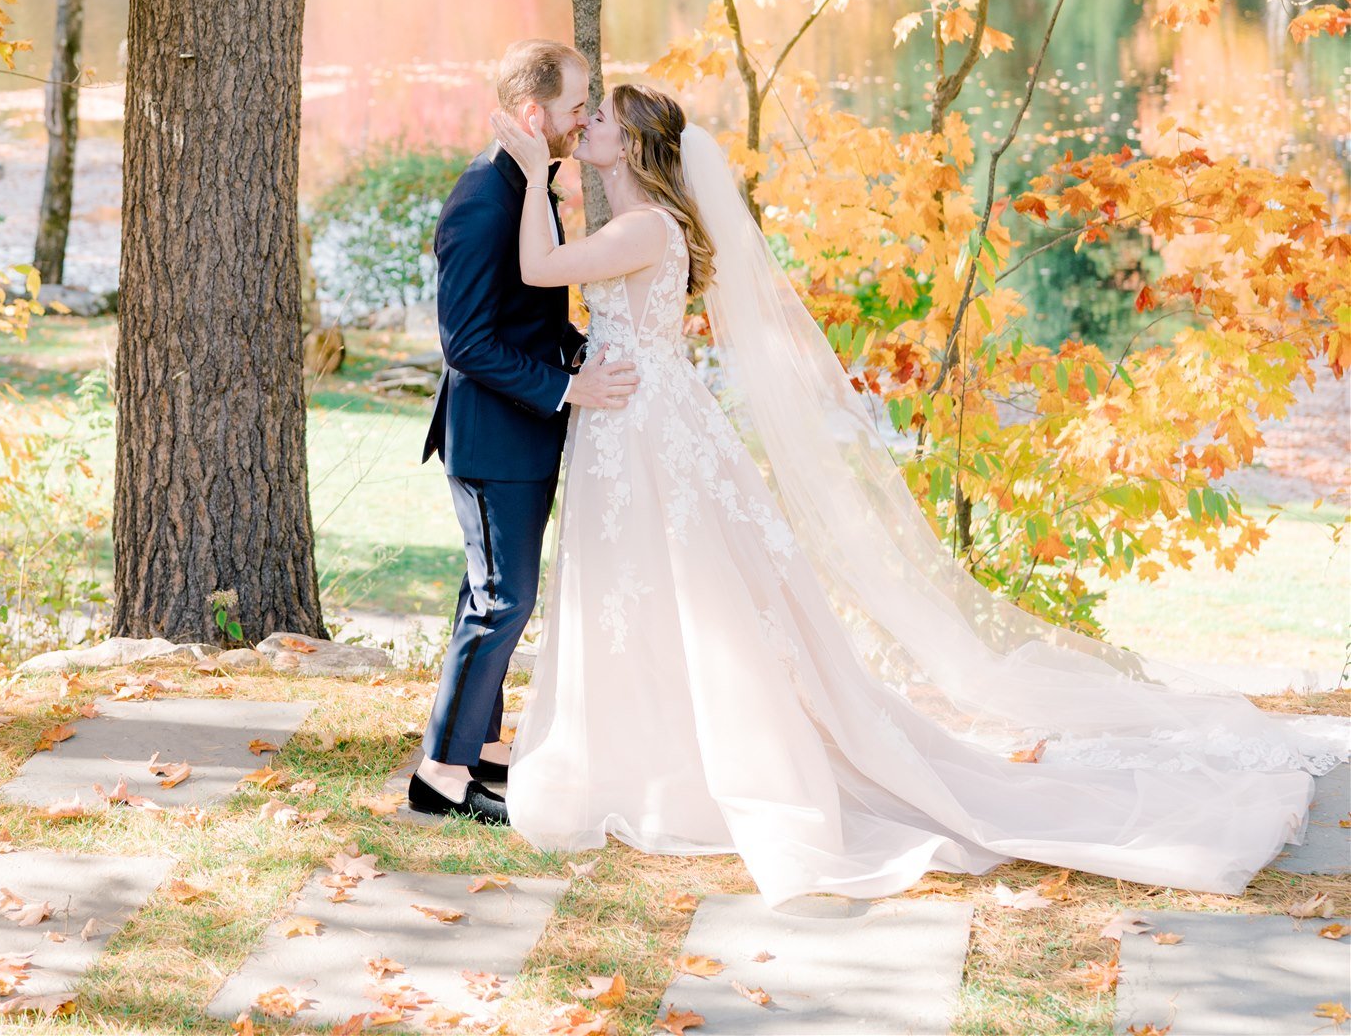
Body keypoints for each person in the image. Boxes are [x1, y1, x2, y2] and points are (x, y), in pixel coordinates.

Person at [492, 82, 1347, 905]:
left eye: (600, 118)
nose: (587, 124)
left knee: (678, 590)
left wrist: (532, 171)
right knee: (655, 593)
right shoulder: (645, 221)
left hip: (647, 431)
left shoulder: (643, 227)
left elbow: (539, 267)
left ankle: (689, 765)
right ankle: (650, 753)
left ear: (634, 145)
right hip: (640, 420)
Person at [409, 40, 642, 821]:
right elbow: (466, 343)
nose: (584, 119)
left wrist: (589, 354)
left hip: (527, 434)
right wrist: (569, 388)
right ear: (531, 113)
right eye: (577, 105)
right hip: (492, 440)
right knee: (502, 599)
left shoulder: (529, 186)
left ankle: (474, 748)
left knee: (495, 597)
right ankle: (439, 777)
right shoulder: (483, 200)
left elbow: (530, 321)